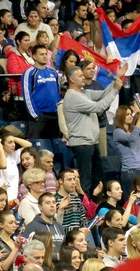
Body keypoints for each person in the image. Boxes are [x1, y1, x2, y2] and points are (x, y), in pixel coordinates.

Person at [63, 64, 124, 194]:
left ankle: (97, 208)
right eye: (80, 76)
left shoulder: (84, 93)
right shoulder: (73, 96)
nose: (83, 77)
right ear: (72, 80)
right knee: (85, 180)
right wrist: (115, 90)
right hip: (82, 144)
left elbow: (102, 94)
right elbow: (99, 107)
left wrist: (116, 80)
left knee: (99, 178)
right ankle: (84, 210)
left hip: (91, 143)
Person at [22, 44, 61, 139]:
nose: (45, 56)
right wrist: (35, 115)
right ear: (34, 56)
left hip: (55, 115)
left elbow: (58, 92)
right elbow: (27, 95)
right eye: (41, 54)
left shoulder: (53, 72)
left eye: (46, 54)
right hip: (39, 116)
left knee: (55, 146)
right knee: (38, 147)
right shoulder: (30, 73)